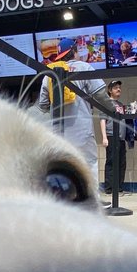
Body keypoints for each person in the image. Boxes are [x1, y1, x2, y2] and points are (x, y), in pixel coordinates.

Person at [38, 39, 105, 186]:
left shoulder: (49, 72)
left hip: (58, 132)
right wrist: (113, 110)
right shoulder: (84, 67)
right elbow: (100, 94)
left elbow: (42, 105)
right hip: (82, 129)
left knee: (63, 166)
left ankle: (67, 201)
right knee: (89, 162)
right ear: (74, 51)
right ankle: (93, 201)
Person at [100, 79, 130, 195]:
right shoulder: (107, 103)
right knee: (112, 162)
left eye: (119, 87)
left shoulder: (121, 105)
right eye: (116, 88)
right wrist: (104, 137)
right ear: (110, 90)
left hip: (121, 138)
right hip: (111, 136)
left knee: (121, 163)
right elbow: (102, 120)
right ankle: (109, 189)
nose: (119, 89)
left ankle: (119, 188)